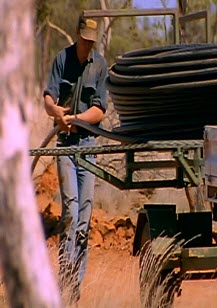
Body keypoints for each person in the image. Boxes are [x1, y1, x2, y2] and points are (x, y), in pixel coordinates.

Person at [43, 15, 108, 303]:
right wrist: (58, 114)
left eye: (91, 41)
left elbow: (100, 110)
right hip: (65, 146)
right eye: (84, 40)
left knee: (85, 215)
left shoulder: (100, 65)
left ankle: (74, 284)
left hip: (88, 145)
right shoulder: (62, 59)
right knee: (70, 210)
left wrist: (77, 119)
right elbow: (48, 98)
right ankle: (65, 275)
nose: (87, 45)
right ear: (77, 35)